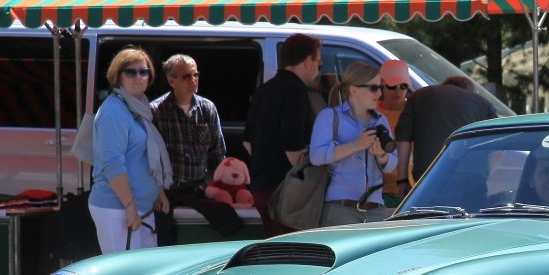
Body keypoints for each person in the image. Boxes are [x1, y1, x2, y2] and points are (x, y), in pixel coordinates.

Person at [88, 47, 171, 253]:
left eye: (144, 72)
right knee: (124, 273)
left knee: (147, 271)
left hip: (141, 208)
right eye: (131, 72)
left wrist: (158, 191)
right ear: (118, 76)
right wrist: (130, 207)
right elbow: (112, 163)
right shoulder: (113, 111)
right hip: (117, 208)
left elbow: (143, 157)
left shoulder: (139, 107)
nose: (138, 77)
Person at [151, 53, 242, 239]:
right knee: (164, 239)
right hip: (167, 192)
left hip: (199, 190)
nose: (193, 80)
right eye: (186, 76)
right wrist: (157, 191)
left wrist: (219, 187)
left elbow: (218, 153)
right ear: (171, 80)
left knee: (227, 224)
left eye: (195, 75)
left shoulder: (207, 108)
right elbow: (149, 158)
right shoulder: (156, 111)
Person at [245, 33, 321, 236]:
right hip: (285, 192)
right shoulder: (296, 91)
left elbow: (247, 143)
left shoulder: (264, 89)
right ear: (308, 60)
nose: (318, 69)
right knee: (291, 250)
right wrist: (309, 181)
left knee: (275, 248)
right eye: (318, 62)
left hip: (261, 187)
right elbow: (292, 148)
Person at [310, 63, 398, 225]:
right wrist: (355, 145)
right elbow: (316, 156)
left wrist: (382, 155)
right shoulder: (330, 116)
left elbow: (392, 165)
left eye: (380, 87)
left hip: (376, 210)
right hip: (341, 207)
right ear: (354, 90)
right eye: (374, 88)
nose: (379, 93)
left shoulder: (380, 120)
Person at [395, 74, 496, 188]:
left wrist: (402, 180)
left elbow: (403, 137)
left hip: (428, 177)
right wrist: (484, 176)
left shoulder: (419, 95)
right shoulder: (485, 105)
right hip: (471, 179)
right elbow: (497, 149)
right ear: (470, 91)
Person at [376, 59, 411, 206]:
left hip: (409, 192)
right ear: (382, 84)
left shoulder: (415, 111)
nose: (398, 91)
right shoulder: (371, 111)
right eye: (392, 85)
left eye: (403, 86)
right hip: (377, 192)